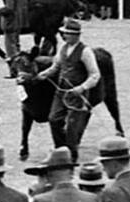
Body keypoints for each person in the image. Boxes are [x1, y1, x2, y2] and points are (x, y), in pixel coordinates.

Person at [31, 18, 100, 161]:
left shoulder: (85, 52)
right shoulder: (62, 49)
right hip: (61, 91)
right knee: (53, 119)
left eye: (66, 33)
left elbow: (95, 75)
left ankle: (72, 156)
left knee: (72, 127)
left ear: (75, 35)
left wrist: (82, 88)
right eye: (63, 33)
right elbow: (56, 67)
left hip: (77, 94)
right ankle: (61, 150)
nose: (63, 36)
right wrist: (44, 74)